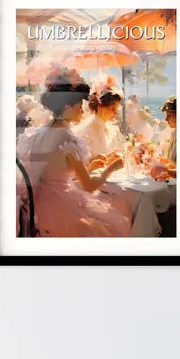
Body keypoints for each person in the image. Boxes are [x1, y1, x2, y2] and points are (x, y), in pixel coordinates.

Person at [16, 69, 132, 237]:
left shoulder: (39, 133)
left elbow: (55, 171)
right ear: (66, 107)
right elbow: (89, 186)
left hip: (38, 204)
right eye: (79, 107)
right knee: (116, 220)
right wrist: (112, 168)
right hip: (58, 208)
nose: (82, 111)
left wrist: (89, 167)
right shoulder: (68, 139)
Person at [75, 80, 125, 169]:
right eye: (112, 109)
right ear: (100, 106)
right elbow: (80, 166)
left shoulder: (113, 129)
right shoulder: (85, 131)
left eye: (117, 109)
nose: (116, 113)